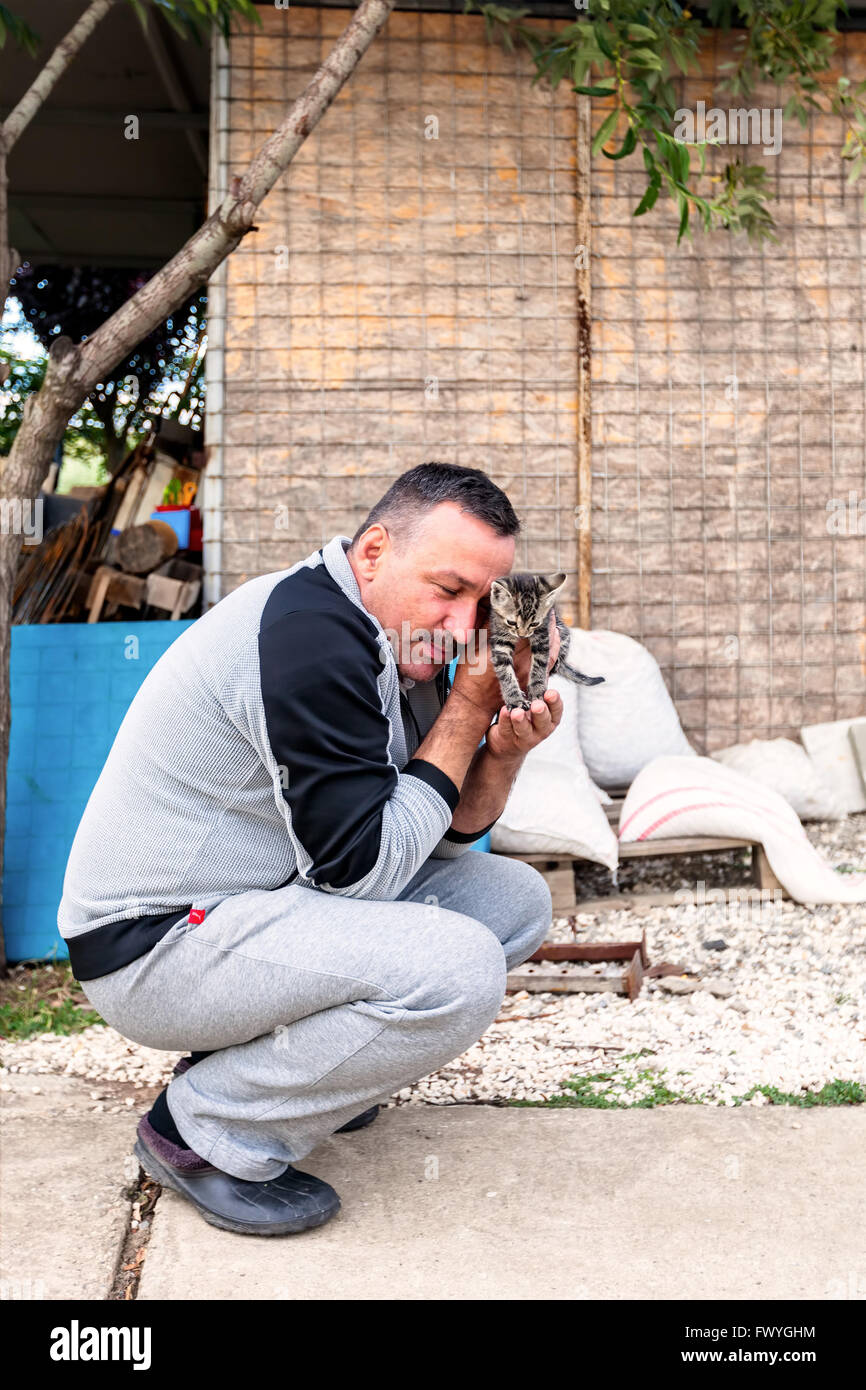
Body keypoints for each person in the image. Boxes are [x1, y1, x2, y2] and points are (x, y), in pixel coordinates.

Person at [57, 462, 563, 1236]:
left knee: (514, 902)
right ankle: (204, 1129)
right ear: (372, 554)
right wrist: (466, 709)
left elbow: (450, 837)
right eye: (448, 589)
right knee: (456, 968)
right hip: (154, 945)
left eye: (483, 602)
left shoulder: (403, 641)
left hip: (257, 906)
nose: (466, 626)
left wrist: (501, 749)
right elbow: (363, 874)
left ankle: (287, 1079)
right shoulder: (309, 638)